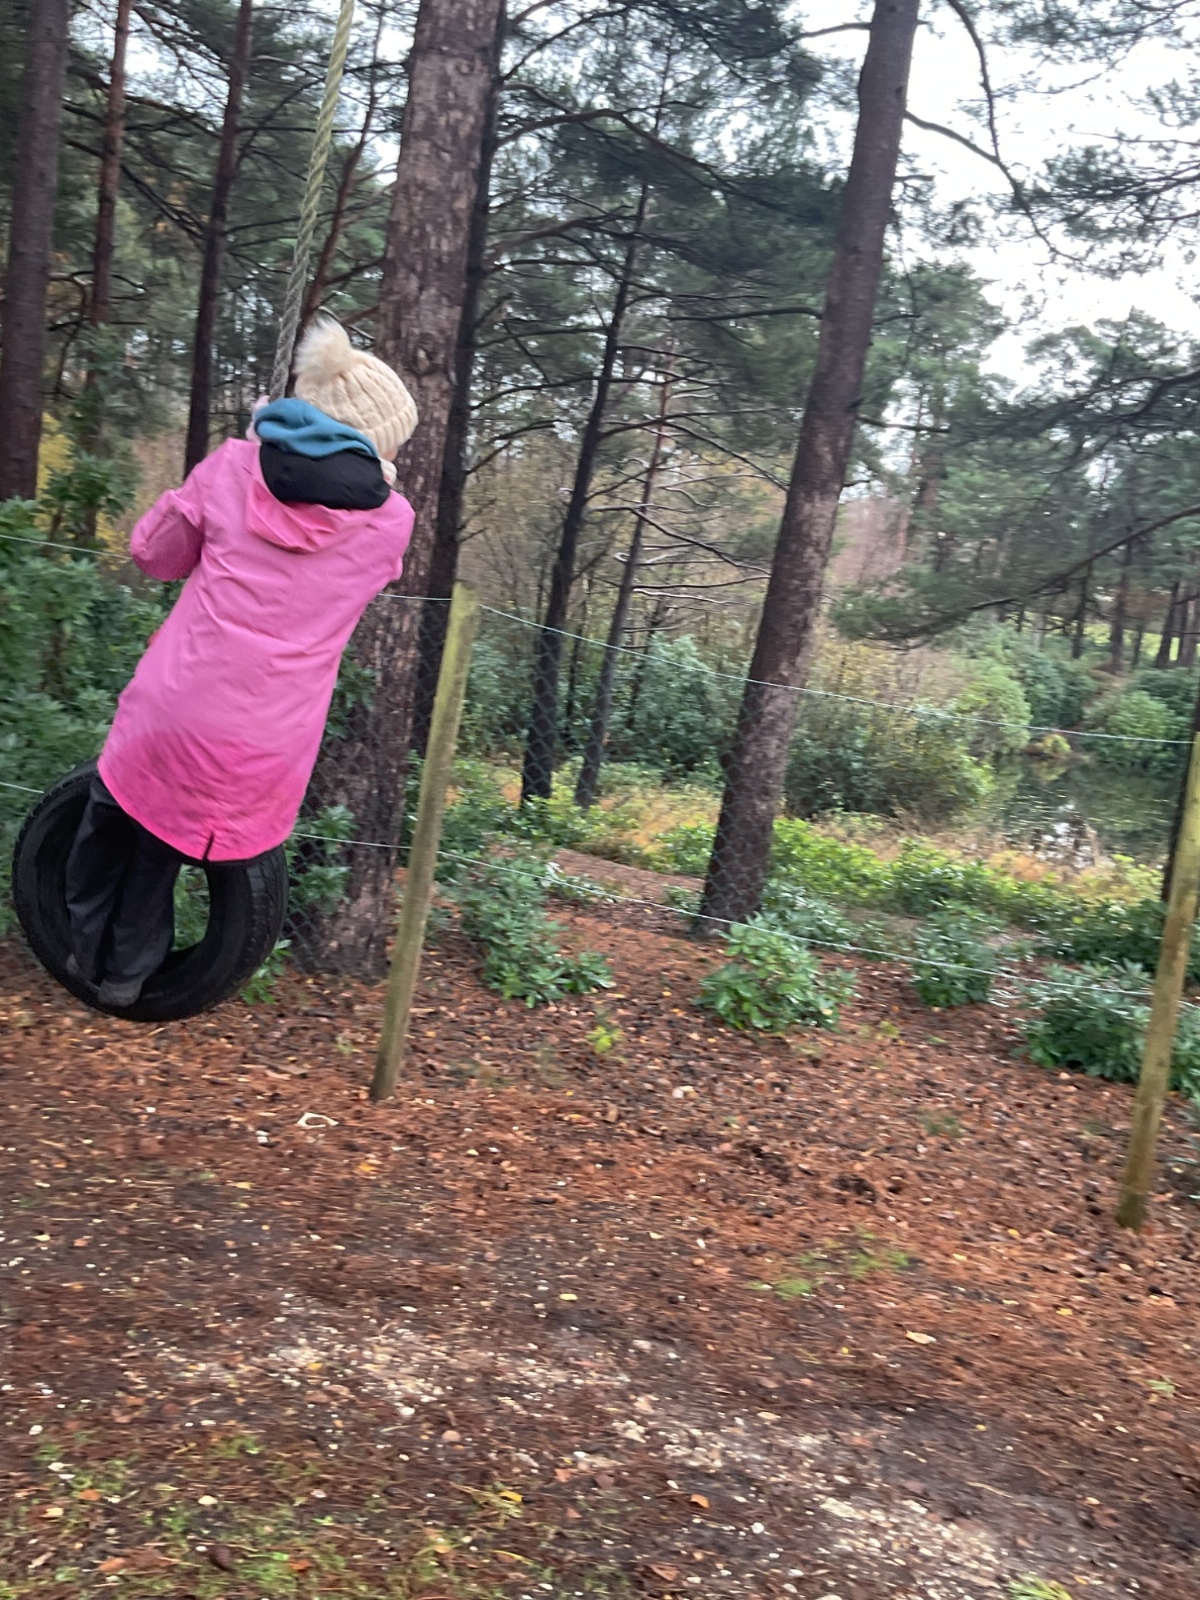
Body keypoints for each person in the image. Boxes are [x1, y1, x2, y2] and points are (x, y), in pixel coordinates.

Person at [65, 318, 417, 1006]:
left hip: (175, 706)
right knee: (162, 847)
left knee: (112, 819)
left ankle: (80, 952)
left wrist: (244, 458)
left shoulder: (234, 466)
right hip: (270, 738)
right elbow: (357, 557)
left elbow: (153, 554)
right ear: (374, 440)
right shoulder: (391, 522)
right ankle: (128, 975)